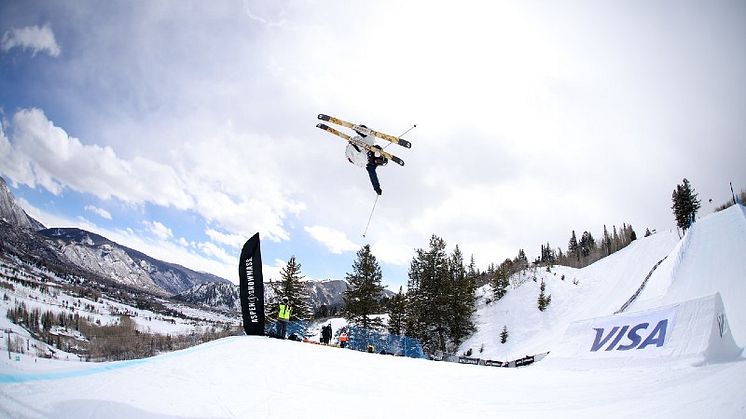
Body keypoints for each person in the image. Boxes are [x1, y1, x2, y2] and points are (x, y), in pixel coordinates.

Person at [345, 125, 388, 195]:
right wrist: (363, 129)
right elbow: (373, 146)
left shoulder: (372, 166)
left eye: (379, 161)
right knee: (371, 138)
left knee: (366, 159)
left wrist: (377, 188)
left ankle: (356, 145)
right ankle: (360, 130)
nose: (377, 161)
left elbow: (373, 177)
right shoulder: (373, 148)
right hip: (357, 144)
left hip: (353, 156)